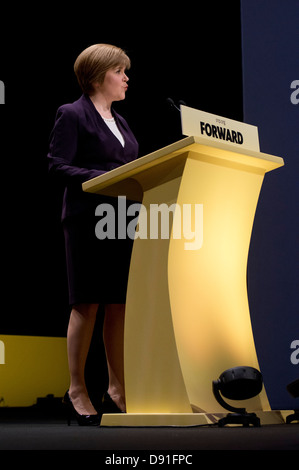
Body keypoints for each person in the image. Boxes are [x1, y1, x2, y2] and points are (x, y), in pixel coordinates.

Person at [47, 44, 139, 425]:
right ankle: (77, 389)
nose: (126, 78)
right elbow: (57, 166)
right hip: (88, 220)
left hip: (122, 220)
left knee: (118, 304)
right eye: (120, 71)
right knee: (87, 303)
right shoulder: (72, 114)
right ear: (100, 76)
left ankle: (117, 388)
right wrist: (101, 179)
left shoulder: (122, 121)